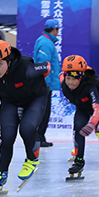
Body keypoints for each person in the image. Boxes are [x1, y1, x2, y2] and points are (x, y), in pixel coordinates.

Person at [0, 40, 50, 189]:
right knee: (7, 136)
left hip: (35, 98)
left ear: (9, 60)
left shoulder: (25, 68)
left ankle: (31, 160)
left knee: (27, 128)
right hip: (11, 101)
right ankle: (1, 173)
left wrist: (35, 83)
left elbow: (46, 67)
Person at [33, 19, 61, 147]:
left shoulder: (46, 42)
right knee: (43, 112)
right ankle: (38, 137)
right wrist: (46, 83)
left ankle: (40, 136)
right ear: (54, 29)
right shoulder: (45, 43)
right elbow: (44, 65)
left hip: (45, 83)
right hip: (44, 84)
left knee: (45, 111)